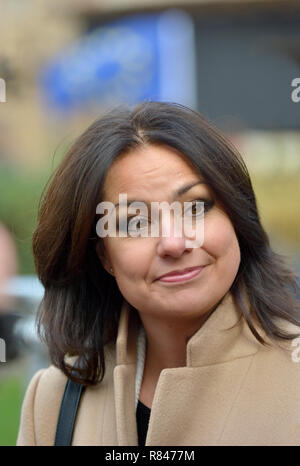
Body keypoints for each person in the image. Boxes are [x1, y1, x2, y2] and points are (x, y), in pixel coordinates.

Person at [16, 101, 300, 446]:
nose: (174, 242)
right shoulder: (54, 400)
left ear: (237, 218)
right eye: (135, 222)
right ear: (103, 254)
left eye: (196, 207)